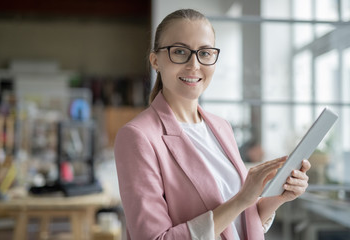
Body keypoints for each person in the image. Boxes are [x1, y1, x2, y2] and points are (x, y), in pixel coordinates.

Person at [114, 8, 311, 240]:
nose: (194, 64)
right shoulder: (138, 136)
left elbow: (240, 219)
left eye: (205, 53)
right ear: (155, 61)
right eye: (179, 51)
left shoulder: (221, 127)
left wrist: (278, 198)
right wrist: (241, 200)